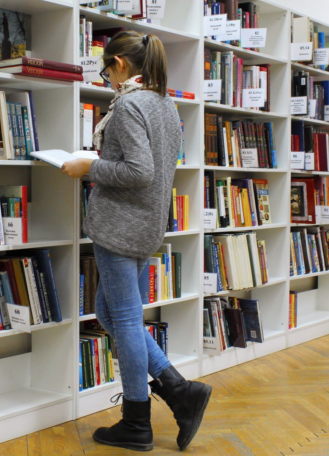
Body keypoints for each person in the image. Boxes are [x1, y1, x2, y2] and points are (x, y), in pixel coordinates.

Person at [62, 30, 212, 452]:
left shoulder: (128, 105)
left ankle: (137, 421)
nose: (107, 78)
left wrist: (89, 166)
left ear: (121, 65)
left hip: (120, 225)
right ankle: (178, 388)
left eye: (107, 69)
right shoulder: (165, 104)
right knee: (108, 312)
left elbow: (139, 171)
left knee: (124, 319)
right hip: (146, 224)